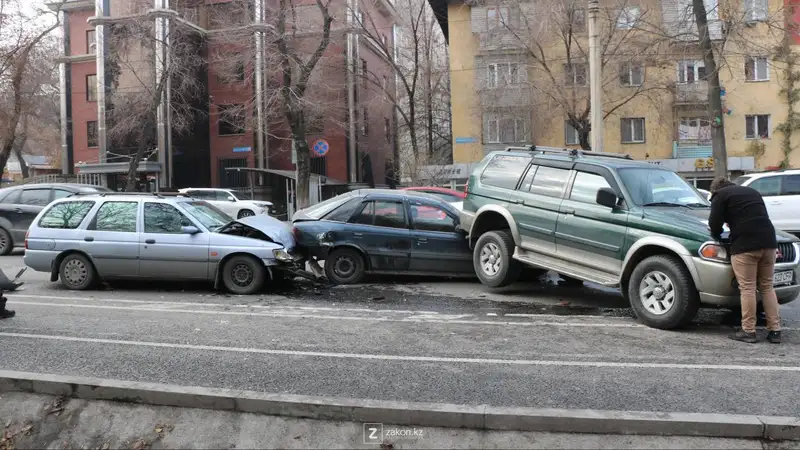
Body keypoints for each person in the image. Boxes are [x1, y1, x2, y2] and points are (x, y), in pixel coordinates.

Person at [708, 176, 780, 344]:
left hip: (745, 245)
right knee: (767, 286)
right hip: (769, 243)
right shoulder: (752, 192)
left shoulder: (720, 195)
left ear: (715, 189)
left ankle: (748, 330)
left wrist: (718, 233)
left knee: (747, 288)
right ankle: (775, 331)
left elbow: (714, 223)